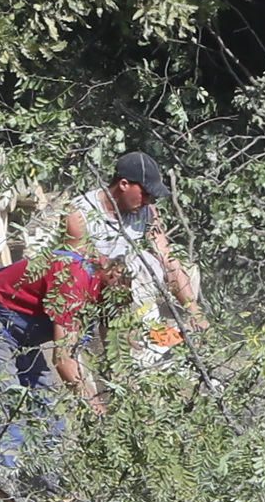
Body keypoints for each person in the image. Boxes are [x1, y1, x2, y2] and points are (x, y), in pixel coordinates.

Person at [0, 249, 109, 478]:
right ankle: (0, 492)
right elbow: (63, 359)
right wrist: (95, 406)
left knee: (49, 415)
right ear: (111, 271)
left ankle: (43, 490)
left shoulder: (113, 291)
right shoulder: (75, 278)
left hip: (22, 334)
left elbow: (114, 347)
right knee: (5, 411)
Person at [60, 151, 200, 365]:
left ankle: (159, 342)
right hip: (91, 289)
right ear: (124, 184)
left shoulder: (148, 213)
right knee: (130, 268)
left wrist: (195, 312)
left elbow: (167, 258)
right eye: (145, 194)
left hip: (127, 292)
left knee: (178, 268)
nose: (148, 201)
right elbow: (76, 271)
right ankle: (119, 353)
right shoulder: (78, 213)